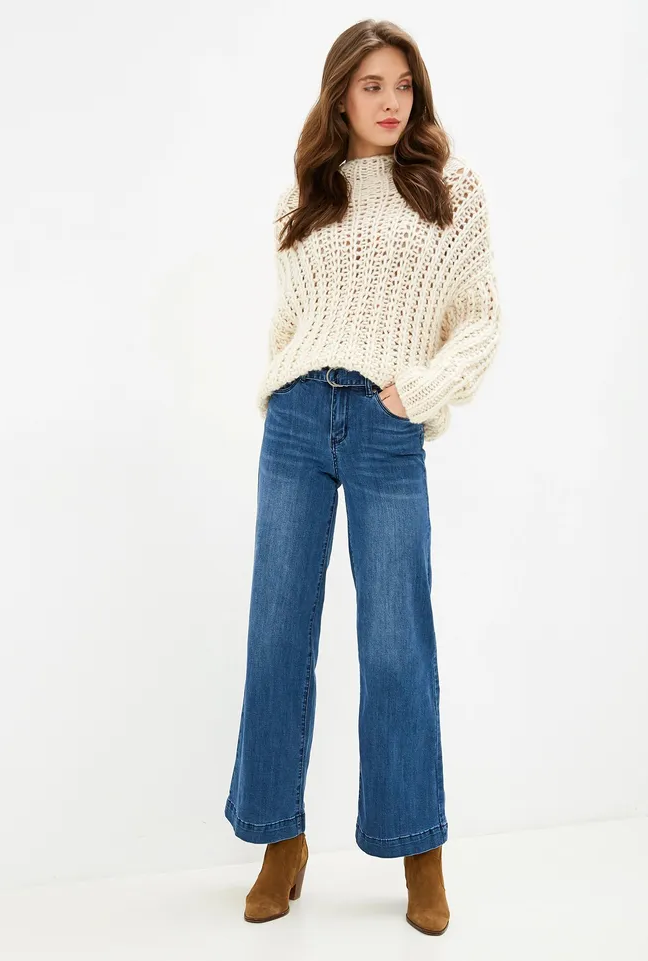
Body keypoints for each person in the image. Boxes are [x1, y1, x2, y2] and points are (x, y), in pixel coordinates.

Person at [224, 18, 502, 936]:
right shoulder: (302, 201)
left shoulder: (450, 190)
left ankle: (419, 848)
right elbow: (288, 325)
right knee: (277, 635)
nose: (391, 102)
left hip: (387, 427)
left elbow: (481, 320)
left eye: (403, 86)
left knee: (395, 643)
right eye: (372, 85)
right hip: (298, 420)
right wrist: (281, 394)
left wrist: (417, 393)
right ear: (340, 94)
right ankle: (280, 840)